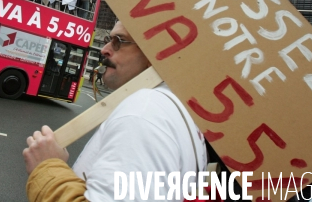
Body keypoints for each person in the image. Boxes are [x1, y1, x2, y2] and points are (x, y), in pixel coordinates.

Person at [23, 21, 207, 201]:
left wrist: (47, 169)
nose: (105, 50)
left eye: (119, 41)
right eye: (108, 40)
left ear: (155, 54)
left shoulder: (144, 111)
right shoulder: (178, 112)